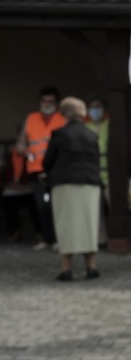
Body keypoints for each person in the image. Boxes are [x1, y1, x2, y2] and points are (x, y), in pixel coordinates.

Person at [43, 97, 101, 281]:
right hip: (89, 183)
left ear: (64, 113)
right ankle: (91, 266)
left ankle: (66, 268)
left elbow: (47, 161)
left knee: (65, 225)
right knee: (89, 225)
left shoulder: (59, 134)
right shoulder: (92, 135)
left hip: (64, 184)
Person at [15, 86, 67, 250]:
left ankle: (59, 240)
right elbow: (20, 144)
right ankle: (45, 239)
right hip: (36, 170)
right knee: (41, 206)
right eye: (45, 101)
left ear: (57, 103)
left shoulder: (63, 119)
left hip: (57, 170)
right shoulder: (31, 118)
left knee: (57, 206)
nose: (47, 104)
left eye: (51, 101)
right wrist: (24, 150)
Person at [85, 94, 109, 246]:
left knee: (114, 209)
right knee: (96, 210)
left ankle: (115, 236)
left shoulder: (110, 124)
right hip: (92, 174)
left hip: (110, 175)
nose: (96, 110)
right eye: (93, 107)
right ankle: (101, 239)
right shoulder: (85, 127)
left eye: (98, 107)